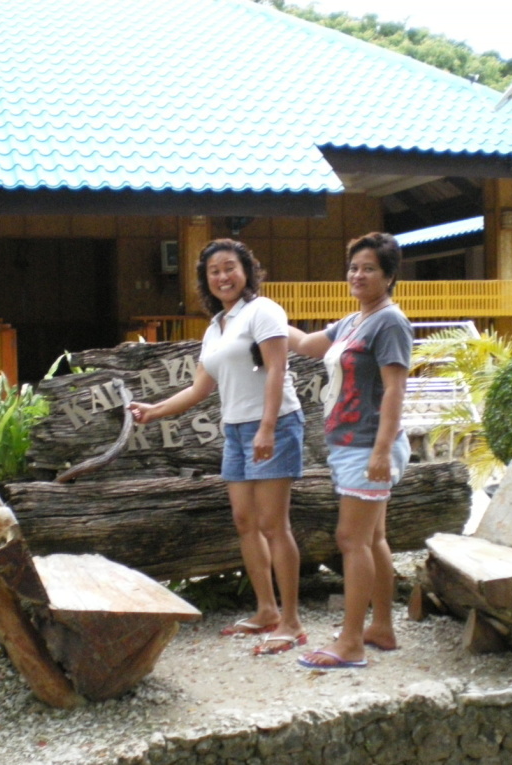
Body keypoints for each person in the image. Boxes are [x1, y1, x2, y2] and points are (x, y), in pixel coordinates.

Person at [128, 238, 307, 656]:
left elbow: (278, 368)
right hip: (236, 430)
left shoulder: (263, 311)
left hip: (275, 424)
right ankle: (266, 610)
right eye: (214, 272)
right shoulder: (214, 328)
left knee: (273, 525)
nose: (222, 277)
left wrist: (266, 428)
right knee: (245, 522)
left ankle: (292, 621)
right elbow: (198, 389)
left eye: (230, 268)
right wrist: (153, 411)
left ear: (246, 270)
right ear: (206, 281)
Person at [287, 232, 412, 669]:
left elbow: (396, 389)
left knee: (351, 539)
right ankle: (382, 628)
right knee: (374, 538)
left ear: (389, 275)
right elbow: (303, 345)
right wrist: (260, 314)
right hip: (349, 444)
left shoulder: (390, 322)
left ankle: (351, 643)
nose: (358, 275)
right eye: (353, 267)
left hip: (368, 446)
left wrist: (381, 452)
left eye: (369, 268)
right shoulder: (353, 321)